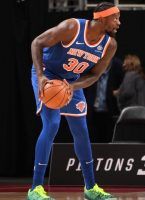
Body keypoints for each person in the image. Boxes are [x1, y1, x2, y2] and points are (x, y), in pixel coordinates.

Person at [28, 2, 120, 200]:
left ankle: (91, 187)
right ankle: (35, 188)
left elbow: (95, 75)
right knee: (52, 124)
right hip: (47, 75)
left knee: (81, 131)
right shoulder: (72, 27)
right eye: (116, 18)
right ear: (102, 17)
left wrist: (73, 87)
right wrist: (42, 77)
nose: (118, 23)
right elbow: (37, 43)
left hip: (70, 82)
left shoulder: (109, 45)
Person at [85, 57, 124, 143]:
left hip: (110, 112)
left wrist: (118, 92)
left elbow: (124, 86)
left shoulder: (118, 67)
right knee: (92, 140)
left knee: (108, 140)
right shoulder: (91, 68)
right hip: (92, 111)